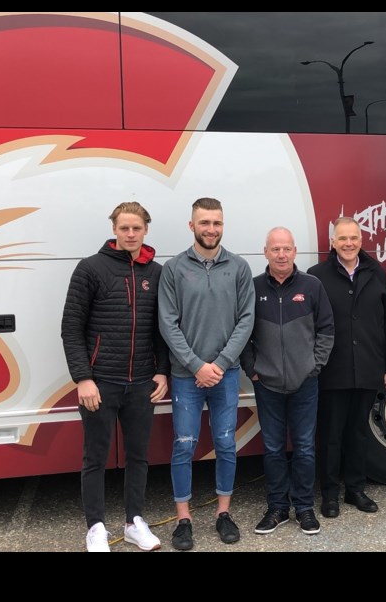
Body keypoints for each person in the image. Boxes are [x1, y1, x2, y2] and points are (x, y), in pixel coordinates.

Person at [61, 201, 170, 552]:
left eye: (136, 228)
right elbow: (70, 329)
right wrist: (83, 377)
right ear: (114, 229)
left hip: (141, 384)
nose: (130, 234)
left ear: (146, 230)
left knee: (139, 456)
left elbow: (163, 330)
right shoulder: (90, 269)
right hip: (101, 382)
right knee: (95, 458)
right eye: (124, 228)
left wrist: (161, 371)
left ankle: (134, 522)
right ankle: (95, 527)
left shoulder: (157, 272)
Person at [158, 197, 256, 550]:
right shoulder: (173, 269)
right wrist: (198, 365)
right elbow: (167, 323)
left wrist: (220, 363)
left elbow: (246, 319)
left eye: (216, 223)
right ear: (192, 225)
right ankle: (183, 519)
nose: (211, 229)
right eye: (204, 223)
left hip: (226, 373)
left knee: (226, 443)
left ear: (223, 225)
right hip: (187, 376)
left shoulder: (239, 267)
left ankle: (223, 513)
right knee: (184, 444)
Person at [242, 227, 335, 535]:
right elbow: (242, 334)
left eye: (286, 249)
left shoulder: (312, 286)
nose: (281, 254)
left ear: (295, 251)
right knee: (272, 448)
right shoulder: (253, 287)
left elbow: (326, 330)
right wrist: (252, 369)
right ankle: (278, 507)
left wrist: (315, 365)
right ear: (265, 252)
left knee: (306, 447)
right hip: (266, 383)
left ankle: (305, 508)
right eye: (275, 249)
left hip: (305, 382)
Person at [308, 217, 386, 519]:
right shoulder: (317, 275)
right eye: (342, 238)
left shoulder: (375, 272)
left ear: (362, 240)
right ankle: (330, 493)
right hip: (332, 369)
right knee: (332, 434)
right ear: (332, 242)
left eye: (354, 238)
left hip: (368, 367)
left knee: (359, 433)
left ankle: (356, 490)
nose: (349, 243)